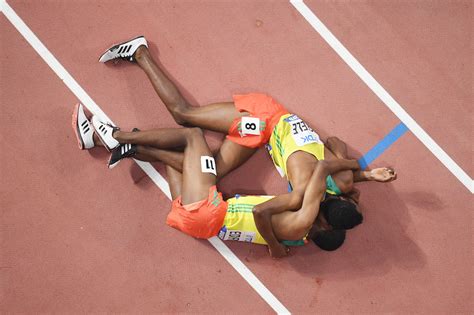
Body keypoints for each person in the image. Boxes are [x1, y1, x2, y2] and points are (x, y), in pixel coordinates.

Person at [92, 36, 397, 257]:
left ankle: (132, 144)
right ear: (325, 217)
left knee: (205, 168)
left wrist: (359, 170)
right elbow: (316, 171)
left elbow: (332, 146)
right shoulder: (307, 194)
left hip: (263, 137)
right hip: (264, 117)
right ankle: (139, 52)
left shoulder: (333, 182)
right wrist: (359, 172)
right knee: (185, 117)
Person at [72, 102, 363, 256]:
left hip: (209, 210)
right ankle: (121, 146)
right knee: (182, 159)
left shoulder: (299, 211)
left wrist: (361, 173)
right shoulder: (299, 238)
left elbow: (267, 208)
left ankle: (115, 136)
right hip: (200, 225)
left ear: (323, 223)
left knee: (191, 136)